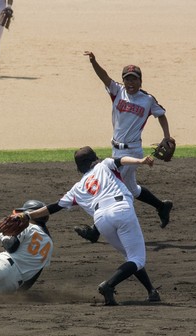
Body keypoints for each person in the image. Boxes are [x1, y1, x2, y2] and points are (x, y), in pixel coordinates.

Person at [13, 147, 161, 306]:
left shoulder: (77, 188)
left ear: (78, 168)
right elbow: (122, 160)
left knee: (130, 256)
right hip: (121, 210)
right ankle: (108, 285)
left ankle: (151, 291)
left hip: (101, 220)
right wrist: (141, 161)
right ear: (95, 159)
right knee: (137, 258)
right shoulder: (104, 165)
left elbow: (53, 207)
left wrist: (28, 215)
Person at [75, 51, 174, 243]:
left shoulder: (147, 99)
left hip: (132, 151)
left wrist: (167, 136)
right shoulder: (117, 91)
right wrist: (94, 61)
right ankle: (161, 206)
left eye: (134, 79)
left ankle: (95, 231)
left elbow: (161, 114)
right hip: (116, 149)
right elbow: (104, 77)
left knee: (111, 184)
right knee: (131, 189)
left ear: (140, 81)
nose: (130, 83)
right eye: (127, 79)